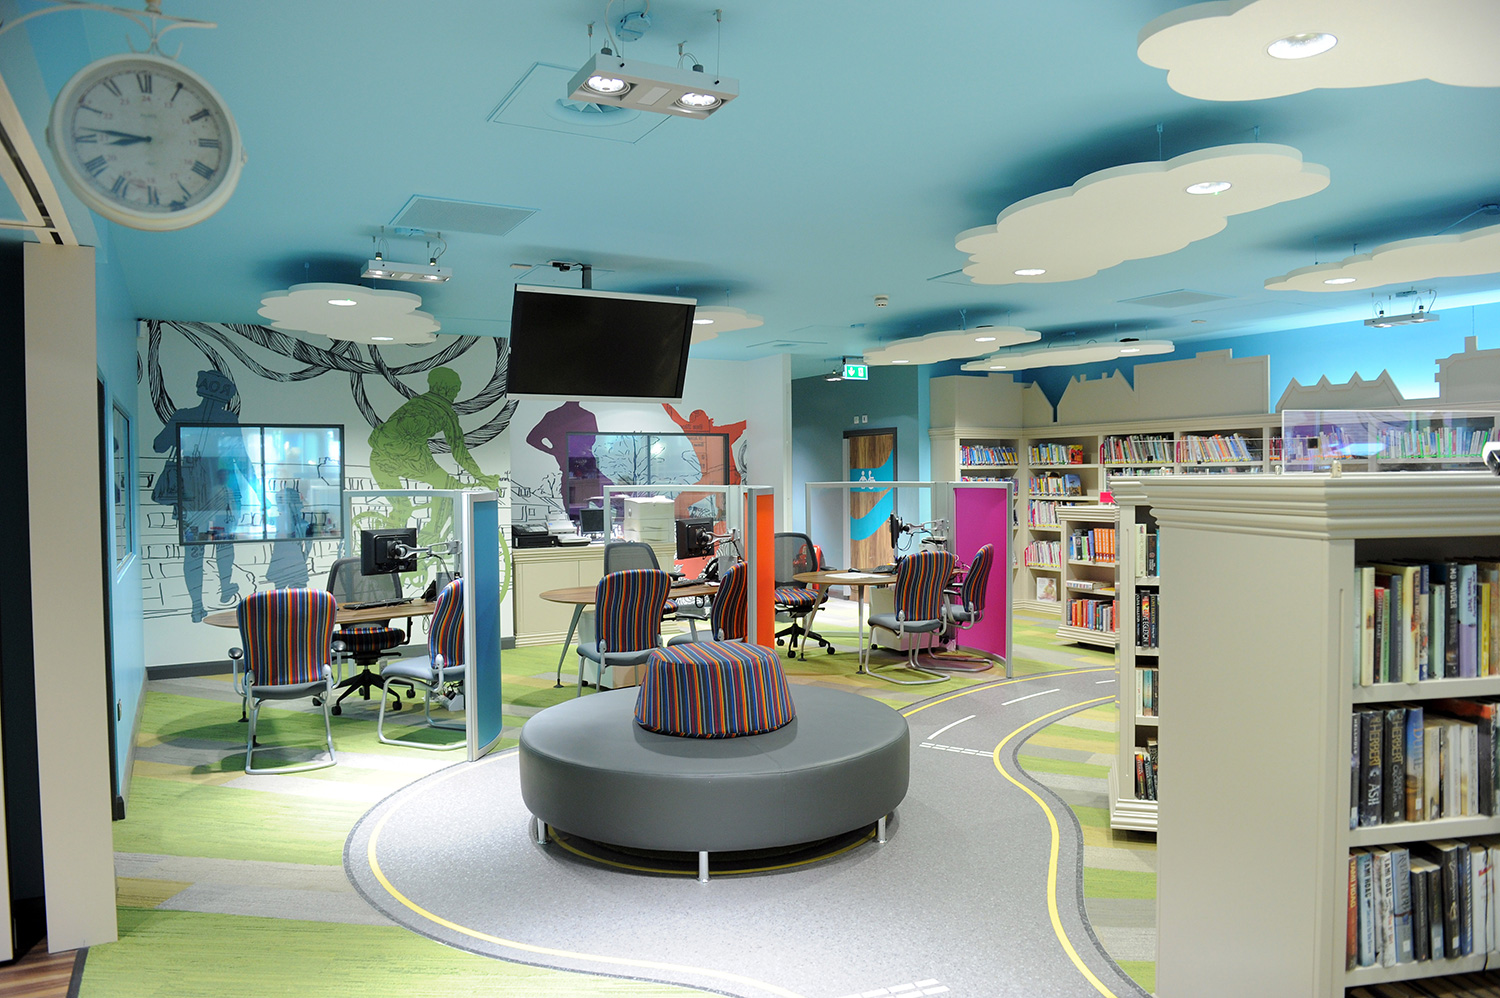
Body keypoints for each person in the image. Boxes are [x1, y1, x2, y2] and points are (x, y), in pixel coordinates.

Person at [153, 369, 249, 622]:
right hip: (222, 496)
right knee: (224, 545)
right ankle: (225, 588)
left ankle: (197, 605)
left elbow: (159, 445)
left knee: (194, 553)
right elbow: (241, 460)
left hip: (191, 499)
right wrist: (260, 493)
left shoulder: (182, 415)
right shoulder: (228, 419)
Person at [367, 367, 500, 527]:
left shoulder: (415, 403)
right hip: (409, 458)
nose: (455, 395)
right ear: (447, 389)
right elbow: (459, 452)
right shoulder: (446, 415)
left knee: (402, 508)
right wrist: (480, 476)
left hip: (378, 459)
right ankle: (432, 532)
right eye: (455, 390)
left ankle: (393, 535)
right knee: (446, 485)